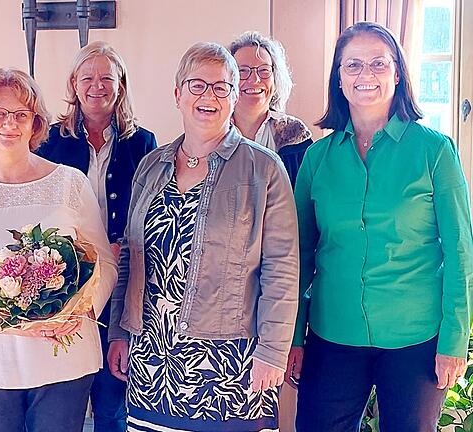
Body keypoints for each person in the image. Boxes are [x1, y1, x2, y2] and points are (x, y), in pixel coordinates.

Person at [287, 22, 473, 432]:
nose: (365, 75)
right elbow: (298, 256)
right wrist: (295, 336)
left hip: (416, 338)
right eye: (352, 65)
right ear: (338, 77)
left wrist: (454, 341)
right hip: (333, 334)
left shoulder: (435, 151)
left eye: (378, 63)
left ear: (397, 73)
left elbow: (461, 253)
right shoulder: (317, 159)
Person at [107, 42, 299, 432]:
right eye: (197, 85)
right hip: (150, 360)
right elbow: (130, 255)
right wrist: (118, 332)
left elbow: (282, 270)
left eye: (221, 87)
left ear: (233, 97)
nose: (208, 96)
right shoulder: (151, 166)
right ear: (177, 94)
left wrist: (274, 352)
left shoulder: (264, 169)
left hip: (233, 367)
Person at [0, 68, 118, 432]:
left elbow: (104, 262)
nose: (9, 124)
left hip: (65, 356)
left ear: (35, 124)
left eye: (21, 115)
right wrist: (6, 323)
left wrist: (79, 310)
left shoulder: (69, 184)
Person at [36, 40, 156, 432]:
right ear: (73, 83)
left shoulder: (144, 143)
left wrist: (118, 245)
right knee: (64, 393)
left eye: (107, 77)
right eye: (87, 77)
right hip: (63, 279)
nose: (97, 85)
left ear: (121, 85)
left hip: (119, 279)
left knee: (112, 392)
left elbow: (148, 208)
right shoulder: (50, 141)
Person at [229, 31, 313, 187]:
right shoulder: (213, 134)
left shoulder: (296, 134)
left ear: (275, 78)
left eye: (264, 70)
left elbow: (305, 200)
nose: (255, 79)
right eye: (243, 71)